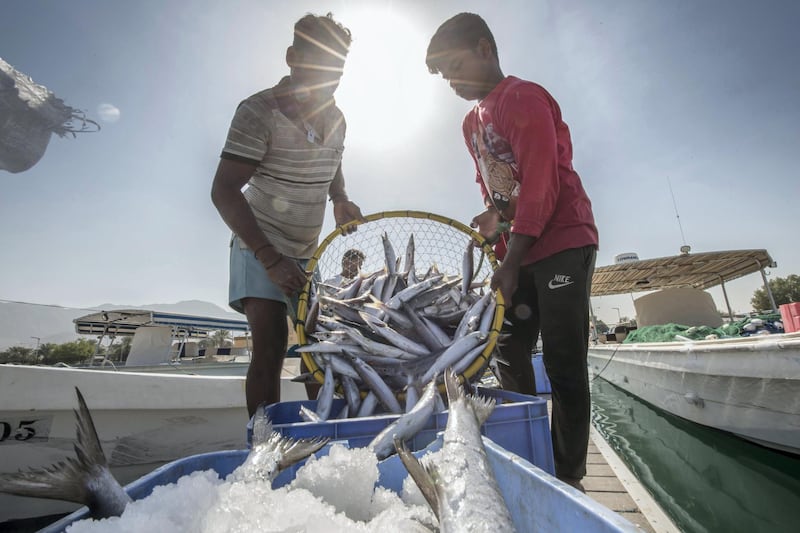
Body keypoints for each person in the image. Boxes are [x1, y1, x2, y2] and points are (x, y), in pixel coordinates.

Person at [425, 13, 599, 491]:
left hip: (561, 239)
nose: (453, 82)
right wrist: (494, 218)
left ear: (485, 48)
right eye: (445, 77)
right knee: (508, 352)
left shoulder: (522, 97)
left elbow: (541, 182)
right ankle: (530, 456)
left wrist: (512, 257)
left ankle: (568, 475)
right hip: (517, 247)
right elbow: (499, 187)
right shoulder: (469, 123)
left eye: (456, 66)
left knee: (564, 362)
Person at [211, 12, 364, 418]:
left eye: (337, 69)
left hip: (306, 250)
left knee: (318, 345)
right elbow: (223, 190)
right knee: (272, 344)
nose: (327, 78)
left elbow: (334, 163)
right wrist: (270, 257)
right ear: (292, 57)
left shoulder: (337, 117)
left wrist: (341, 198)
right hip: (258, 244)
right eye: (319, 64)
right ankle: (263, 446)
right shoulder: (258, 111)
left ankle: (330, 436)